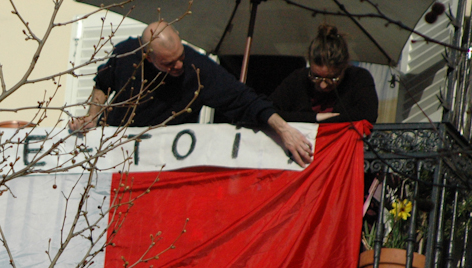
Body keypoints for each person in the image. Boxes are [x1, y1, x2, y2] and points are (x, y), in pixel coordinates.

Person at [68, 21, 313, 166]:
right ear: (147, 57)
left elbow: (243, 99)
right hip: (115, 155)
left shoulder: (197, 68)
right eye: (168, 63)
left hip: (165, 162)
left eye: (180, 57)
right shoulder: (125, 54)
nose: (178, 67)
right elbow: (102, 83)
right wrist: (92, 116)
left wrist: (284, 130)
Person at [269, 23, 379, 124]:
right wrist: (316, 117)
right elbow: (269, 112)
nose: (323, 85)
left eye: (332, 78)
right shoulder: (298, 79)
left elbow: (367, 115)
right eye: (316, 77)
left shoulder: (358, 78)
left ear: (344, 67)